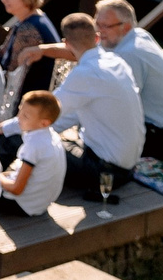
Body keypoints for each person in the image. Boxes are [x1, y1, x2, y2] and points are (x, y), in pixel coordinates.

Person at [39, 10, 143, 194]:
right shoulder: (116, 62)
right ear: (96, 38)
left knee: (29, 139)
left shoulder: (84, 73)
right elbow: (70, 114)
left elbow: (44, 110)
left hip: (103, 172)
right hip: (128, 167)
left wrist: (3, 129)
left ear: (66, 43)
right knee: (44, 134)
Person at [92, 0, 163, 162]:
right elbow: (92, 49)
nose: (99, 31)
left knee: (97, 139)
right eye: (97, 24)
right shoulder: (139, 34)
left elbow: (120, 104)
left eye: (106, 26)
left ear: (125, 27)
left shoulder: (129, 54)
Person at [0, 89, 68, 217]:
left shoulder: (34, 145)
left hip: (20, 205)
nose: (18, 118)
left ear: (44, 122)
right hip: (40, 204)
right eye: (20, 111)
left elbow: (16, 189)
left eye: (25, 116)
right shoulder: (52, 137)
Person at [0, 0, 58, 108]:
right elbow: (2, 54)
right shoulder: (32, 20)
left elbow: (11, 68)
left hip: (30, 102)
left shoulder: (29, 29)